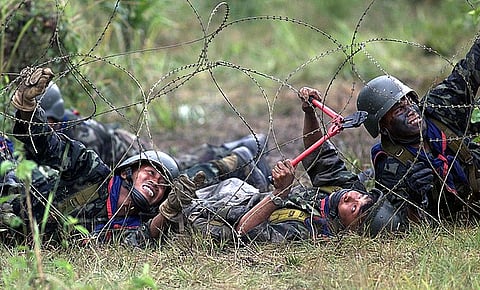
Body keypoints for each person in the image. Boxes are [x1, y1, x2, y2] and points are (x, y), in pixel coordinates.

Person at [5, 66, 272, 246]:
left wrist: (168, 211)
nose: (155, 182)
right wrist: (28, 107)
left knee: (194, 171)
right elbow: (46, 145)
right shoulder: (89, 172)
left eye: (162, 185)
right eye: (151, 172)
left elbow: (142, 238)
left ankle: (243, 156)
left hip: (20, 238)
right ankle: (242, 154)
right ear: (128, 171)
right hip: (10, 208)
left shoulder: (137, 221)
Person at [182, 86, 403, 243]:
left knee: (184, 181)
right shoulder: (342, 190)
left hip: (217, 207)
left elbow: (243, 231)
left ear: (350, 231)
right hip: (250, 192)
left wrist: (280, 193)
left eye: (353, 210)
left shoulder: (307, 230)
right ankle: (189, 163)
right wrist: (310, 113)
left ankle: (177, 169)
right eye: (362, 197)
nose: (351, 197)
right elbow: (317, 151)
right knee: (252, 146)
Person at [356, 36, 480, 228]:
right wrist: (413, 194)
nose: (411, 111)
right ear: (384, 128)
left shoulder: (436, 108)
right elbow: (399, 223)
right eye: (398, 110)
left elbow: (468, 72)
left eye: (408, 102)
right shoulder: (391, 166)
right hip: (458, 218)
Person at [36, 82, 151, 168]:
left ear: (55, 116)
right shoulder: (45, 132)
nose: (39, 125)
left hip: (133, 154)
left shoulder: (83, 138)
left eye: (45, 120)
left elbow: (91, 178)